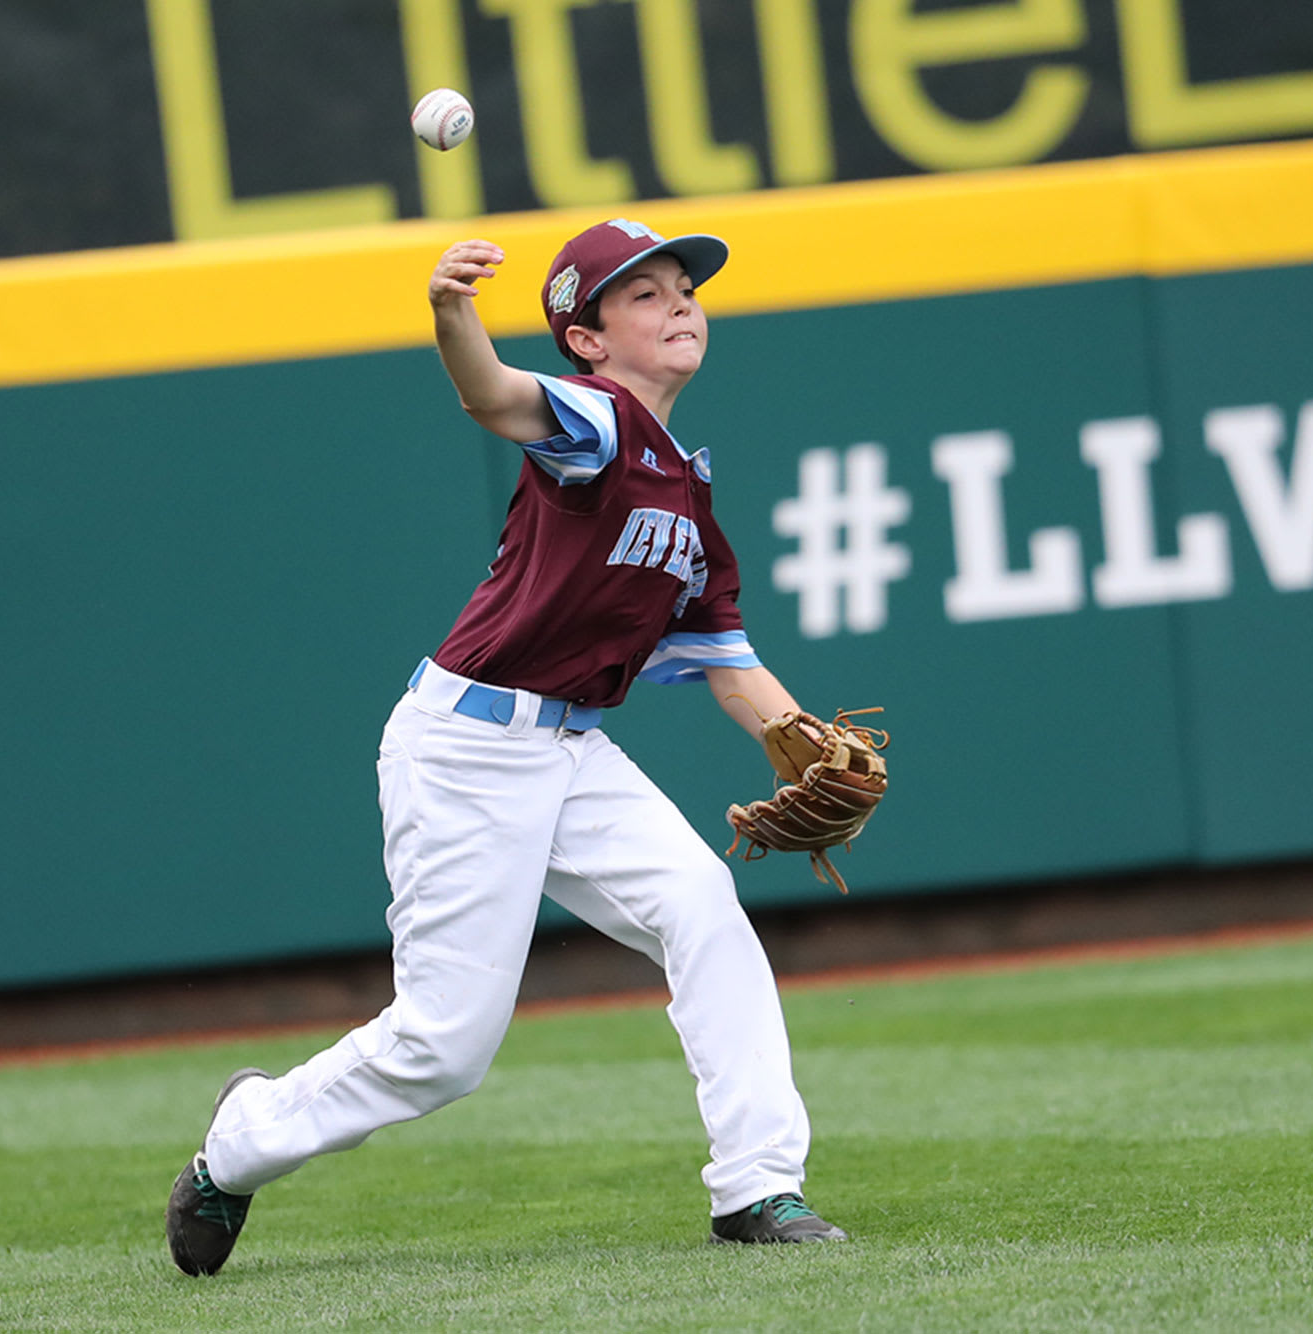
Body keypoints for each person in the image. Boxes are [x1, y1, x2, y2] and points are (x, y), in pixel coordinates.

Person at [165, 218, 848, 1276]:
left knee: (704, 911)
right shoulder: (599, 421)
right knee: (443, 1045)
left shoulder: (685, 492)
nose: (677, 303)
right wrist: (450, 312)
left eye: (683, 288)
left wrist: (812, 745)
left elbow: (726, 662)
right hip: (467, 748)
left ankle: (758, 1186)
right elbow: (491, 394)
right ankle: (239, 1140)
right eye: (644, 294)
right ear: (586, 339)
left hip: (574, 751)